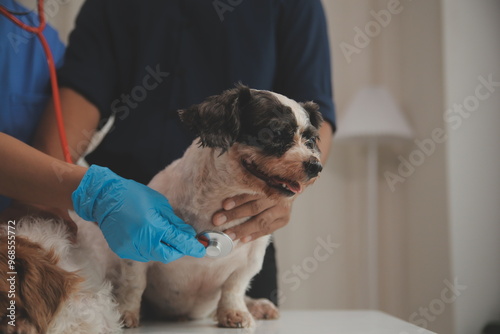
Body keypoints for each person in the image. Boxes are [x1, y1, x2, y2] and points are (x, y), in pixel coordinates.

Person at [34, 0, 336, 305]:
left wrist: (288, 188)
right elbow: (80, 96)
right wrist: (45, 196)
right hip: (123, 223)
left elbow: (313, 116)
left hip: (242, 229)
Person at [0, 0, 206, 263]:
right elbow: (86, 85)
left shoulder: (37, 39)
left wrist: (50, 191)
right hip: (23, 247)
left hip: (173, 238)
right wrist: (91, 192)